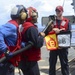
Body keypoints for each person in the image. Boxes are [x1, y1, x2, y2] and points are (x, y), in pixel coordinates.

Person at [0, 5, 28, 75]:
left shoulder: (14, 26)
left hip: (9, 62)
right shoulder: (12, 26)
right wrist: (5, 50)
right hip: (5, 62)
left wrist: (23, 44)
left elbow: (12, 41)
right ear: (21, 15)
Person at [18, 7, 45, 75]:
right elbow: (37, 44)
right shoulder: (31, 28)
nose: (36, 17)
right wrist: (41, 37)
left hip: (24, 59)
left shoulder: (23, 26)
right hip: (30, 61)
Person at [49, 6, 70, 75]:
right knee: (52, 64)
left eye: (59, 11)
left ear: (62, 11)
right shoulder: (52, 22)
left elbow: (69, 34)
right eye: (56, 11)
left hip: (63, 47)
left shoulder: (67, 22)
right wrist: (53, 29)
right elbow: (46, 32)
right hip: (53, 46)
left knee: (64, 64)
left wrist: (60, 31)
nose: (57, 12)